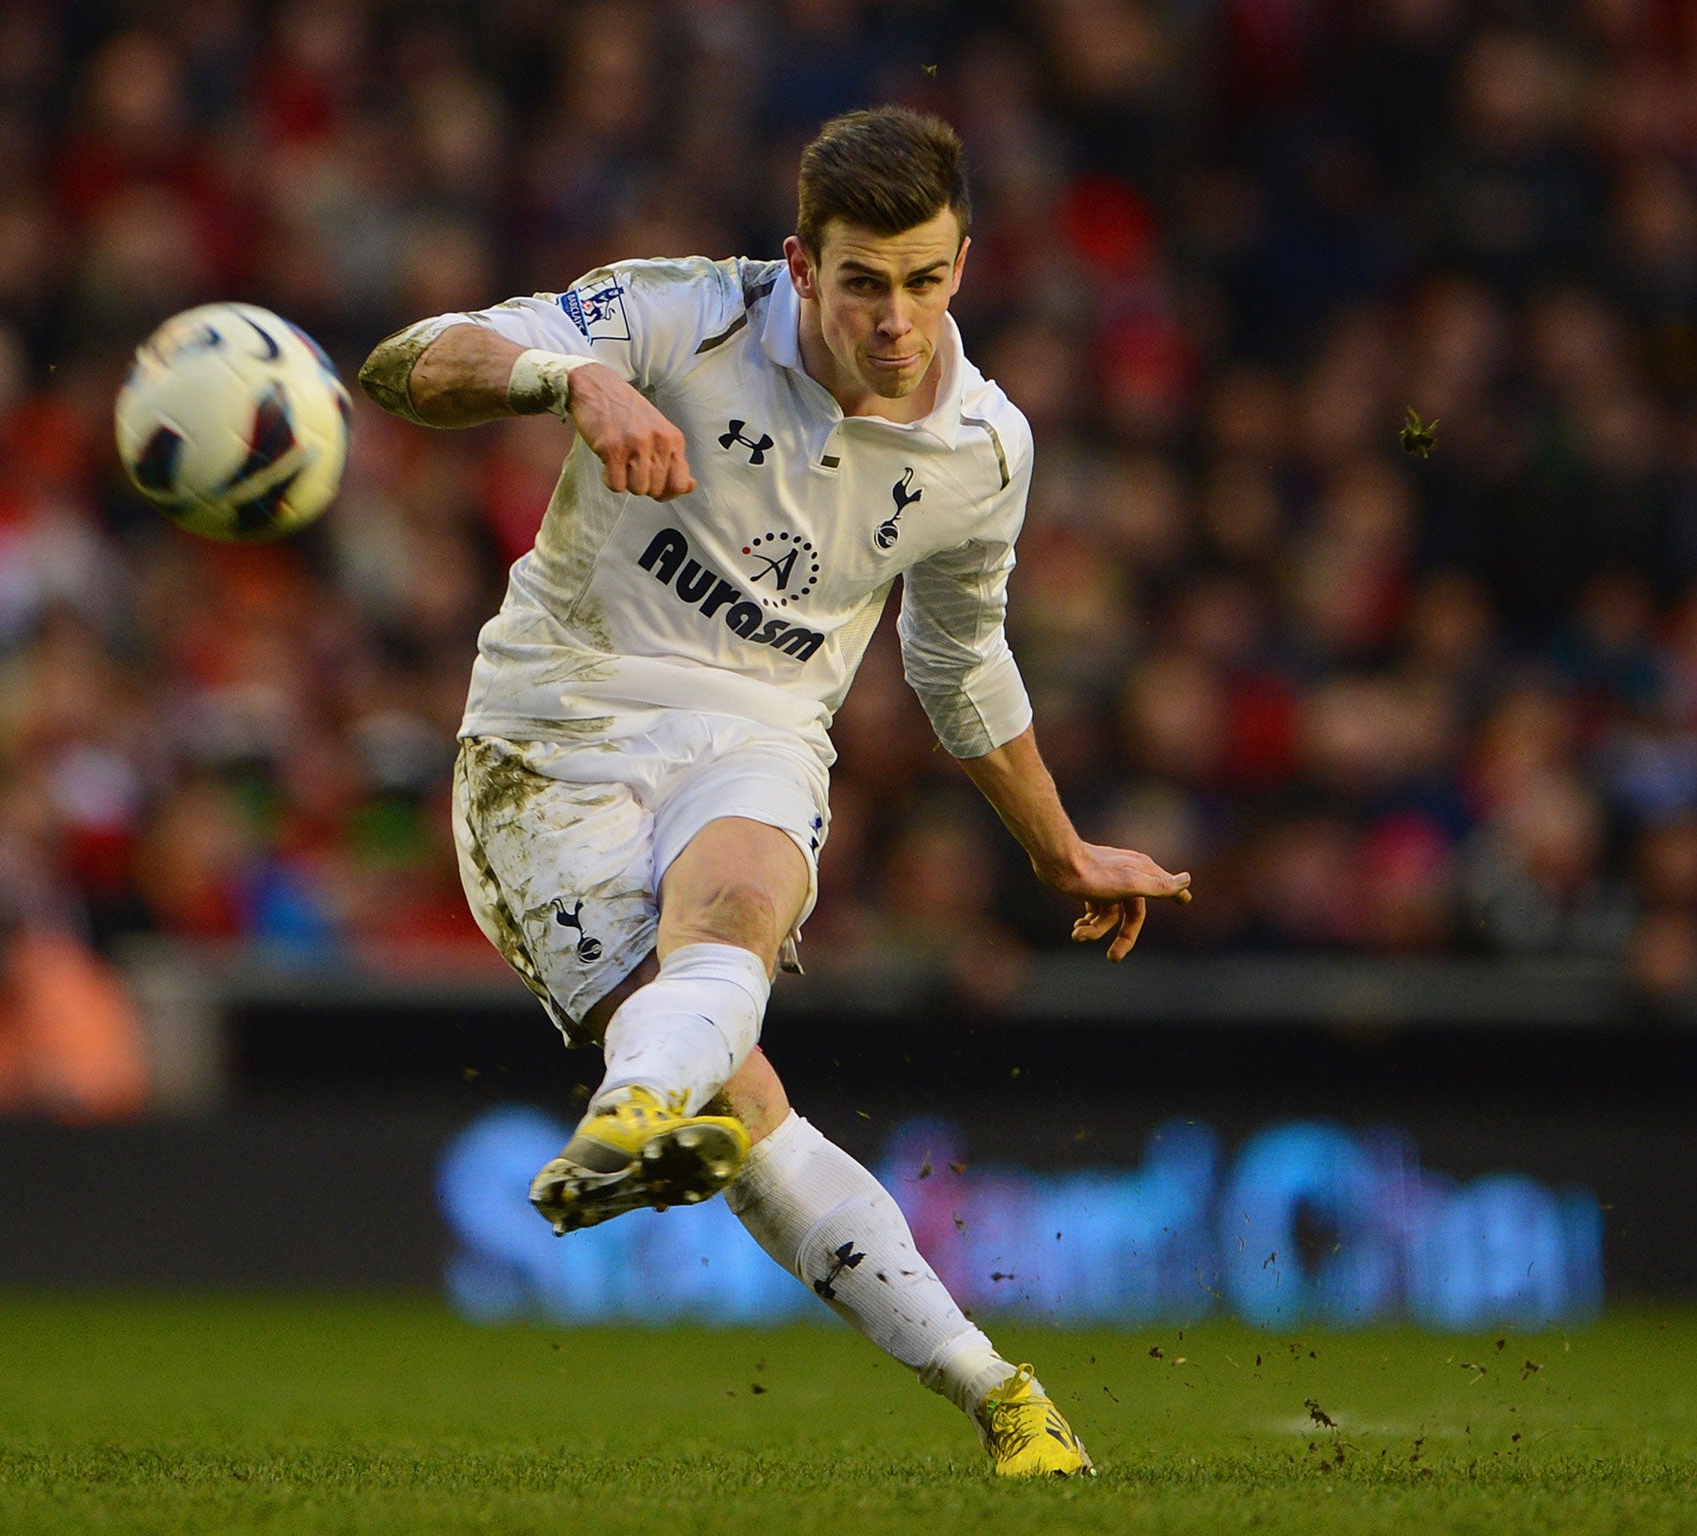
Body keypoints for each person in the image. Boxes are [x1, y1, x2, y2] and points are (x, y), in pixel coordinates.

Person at [360, 107, 1191, 1478]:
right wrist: (565, 385)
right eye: (863, 281)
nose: (895, 320)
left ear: (965, 265)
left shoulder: (984, 450)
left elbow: (959, 658)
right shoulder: (681, 315)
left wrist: (1056, 849)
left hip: (757, 730)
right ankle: (972, 1370)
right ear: (800, 265)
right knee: (751, 1118)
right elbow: (408, 362)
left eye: (925, 281)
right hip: (552, 731)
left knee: (743, 903)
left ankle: (647, 1126)